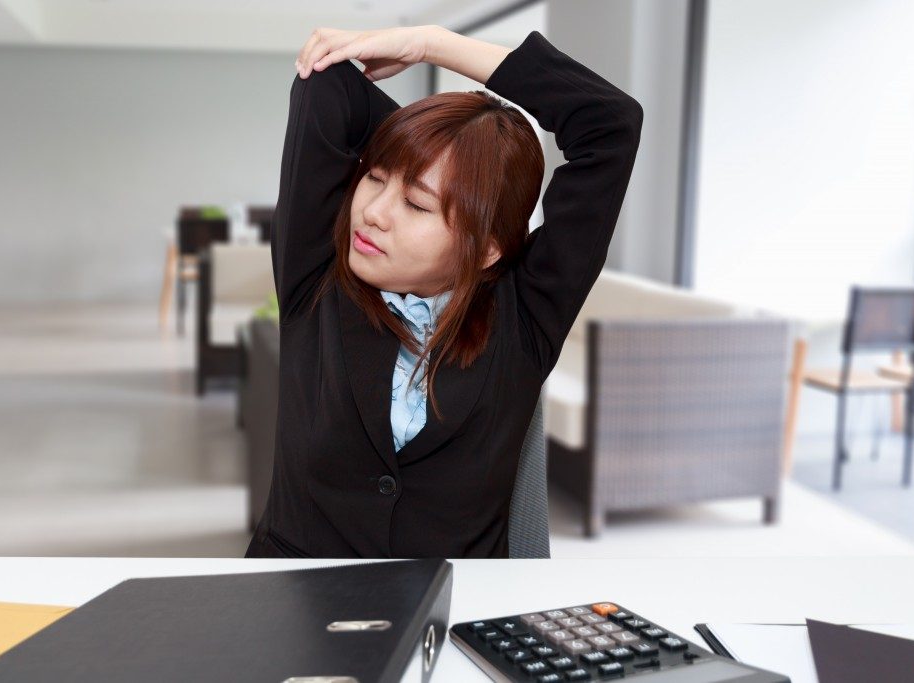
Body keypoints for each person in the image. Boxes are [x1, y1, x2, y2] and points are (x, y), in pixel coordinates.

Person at [245, 25, 643, 558]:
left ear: (488, 249)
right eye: (375, 177)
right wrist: (429, 144)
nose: (373, 213)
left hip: (460, 612)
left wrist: (433, 45)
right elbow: (329, 83)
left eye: (417, 205)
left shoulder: (526, 316)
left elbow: (609, 124)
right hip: (296, 605)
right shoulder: (315, 274)